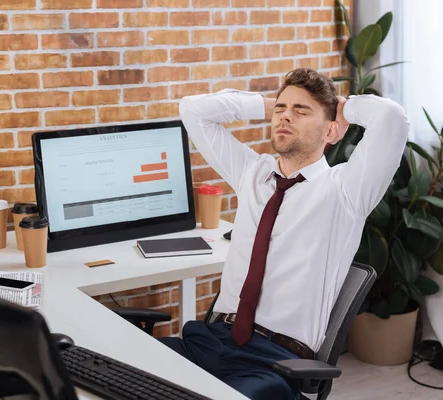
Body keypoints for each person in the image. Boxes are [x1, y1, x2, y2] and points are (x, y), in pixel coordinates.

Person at [159, 68, 410, 400]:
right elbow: (193, 110)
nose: (285, 118)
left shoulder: (347, 191)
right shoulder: (252, 173)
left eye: (301, 111)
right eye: (281, 110)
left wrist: (343, 108)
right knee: (108, 363)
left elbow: (392, 118)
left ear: (332, 130)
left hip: (272, 361)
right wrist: (269, 105)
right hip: (208, 339)